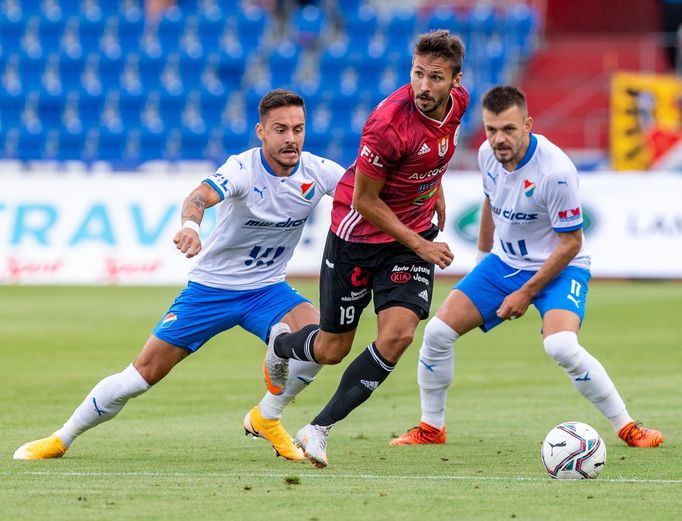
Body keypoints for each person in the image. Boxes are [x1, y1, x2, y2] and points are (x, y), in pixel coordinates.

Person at [13, 89, 345, 461]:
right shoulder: (243, 168)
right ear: (261, 132)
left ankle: (267, 416)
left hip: (268, 290)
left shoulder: (320, 171)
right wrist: (190, 225)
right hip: (212, 290)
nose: (290, 139)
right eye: (280, 129)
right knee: (141, 375)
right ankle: (61, 438)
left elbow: (366, 195)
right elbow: (199, 196)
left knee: (324, 343)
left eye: (298, 129)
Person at [390, 85, 664, 449]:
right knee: (437, 334)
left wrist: (526, 292)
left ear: (528, 125)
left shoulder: (556, 173)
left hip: (560, 267)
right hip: (503, 263)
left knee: (562, 346)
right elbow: (490, 201)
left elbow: (572, 242)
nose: (498, 139)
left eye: (508, 129)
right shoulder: (488, 155)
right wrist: (482, 260)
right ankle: (431, 428)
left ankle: (628, 427)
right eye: (491, 129)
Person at [262, 30, 470, 468]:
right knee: (333, 349)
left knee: (398, 334)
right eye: (417, 74)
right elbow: (365, 201)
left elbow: (434, 155)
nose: (424, 86)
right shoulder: (388, 124)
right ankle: (282, 347)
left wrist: (434, 191)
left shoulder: (460, 104)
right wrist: (422, 245)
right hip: (358, 235)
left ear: (456, 80)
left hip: (407, 239)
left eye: (435, 77)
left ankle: (317, 429)